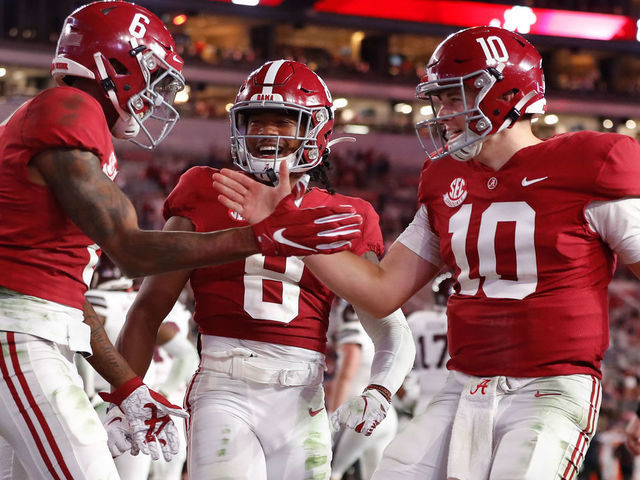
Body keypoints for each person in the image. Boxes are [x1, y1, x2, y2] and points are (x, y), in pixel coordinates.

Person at [213, 25, 640, 479]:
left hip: (550, 388)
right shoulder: (444, 178)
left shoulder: (593, 161)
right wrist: (283, 227)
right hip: (462, 387)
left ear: (502, 93)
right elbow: (381, 292)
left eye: (454, 98)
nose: (443, 114)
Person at [0, 2, 362, 478]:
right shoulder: (71, 109)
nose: (156, 94)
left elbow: (61, 295)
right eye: (154, 75)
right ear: (117, 63)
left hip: (31, 329)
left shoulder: (69, 117)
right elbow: (130, 251)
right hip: (18, 337)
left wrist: (127, 385)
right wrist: (259, 237)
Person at [117, 59, 415, 480]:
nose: (268, 133)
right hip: (224, 386)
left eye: (284, 120)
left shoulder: (346, 214)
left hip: (303, 396)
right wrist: (124, 395)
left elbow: (390, 326)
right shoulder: (205, 189)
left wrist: (381, 389)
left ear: (316, 130)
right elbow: (149, 308)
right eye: (257, 120)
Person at [80, 257, 198, 480]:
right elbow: (188, 354)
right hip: (150, 402)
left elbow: (81, 348)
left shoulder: (98, 302)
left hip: (104, 401)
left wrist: (87, 393)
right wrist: (163, 392)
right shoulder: (150, 304)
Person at [327, 298, 398, 480]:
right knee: (376, 476)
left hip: (360, 414)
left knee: (332, 472)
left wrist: (332, 417)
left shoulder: (350, 314)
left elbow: (347, 372)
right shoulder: (379, 325)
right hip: (386, 413)